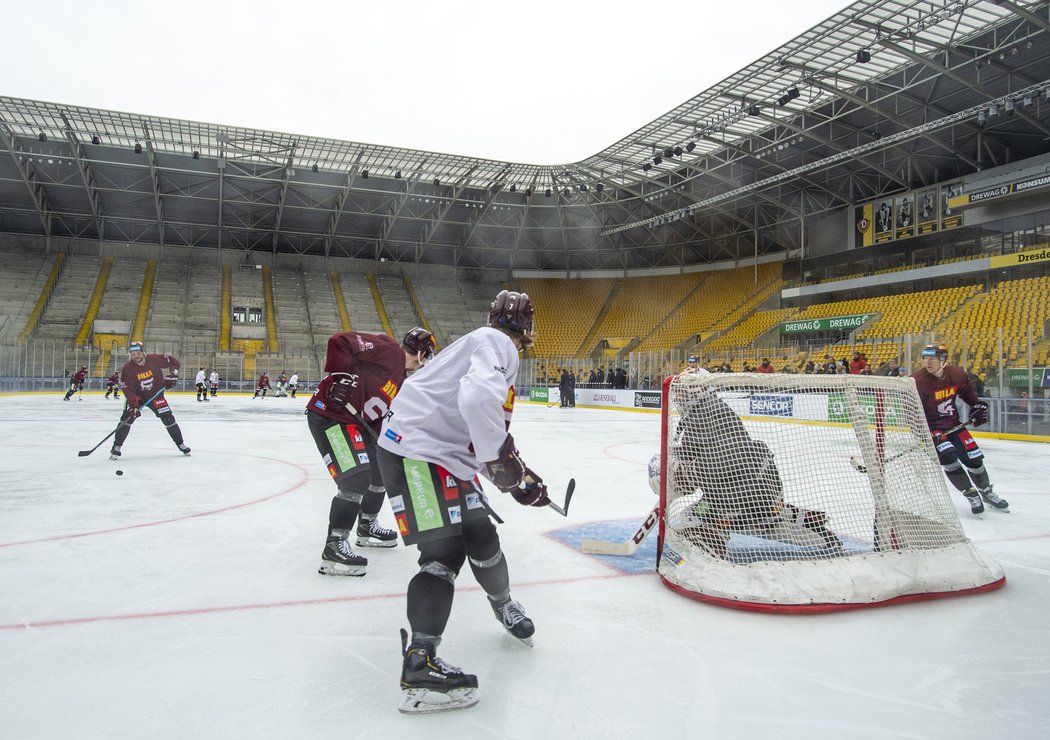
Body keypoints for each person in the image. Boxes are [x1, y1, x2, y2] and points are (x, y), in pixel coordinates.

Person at [376, 290, 548, 714]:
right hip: (419, 455)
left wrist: (515, 472)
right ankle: (420, 665)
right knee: (445, 552)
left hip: (431, 454)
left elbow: (473, 426)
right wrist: (504, 466)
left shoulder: (483, 343)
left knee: (480, 532)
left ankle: (504, 605)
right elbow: (477, 404)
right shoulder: (498, 344)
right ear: (527, 328)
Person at [306, 327, 436, 577]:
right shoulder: (388, 350)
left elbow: (379, 416)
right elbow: (339, 341)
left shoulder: (401, 377)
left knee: (380, 471)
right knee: (355, 478)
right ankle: (334, 545)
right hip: (330, 416)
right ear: (422, 355)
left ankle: (366, 526)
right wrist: (341, 376)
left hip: (356, 423)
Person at [666, 383, 843, 560]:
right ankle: (805, 525)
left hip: (740, 498)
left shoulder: (706, 413)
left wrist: (684, 474)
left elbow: (729, 456)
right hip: (760, 492)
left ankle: (712, 551)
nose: (677, 398)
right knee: (768, 518)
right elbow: (699, 452)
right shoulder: (707, 410)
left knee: (691, 518)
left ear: (696, 392)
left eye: (682, 392)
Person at [911, 343, 1007, 514]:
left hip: (954, 425)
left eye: (932, 358)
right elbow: (909, 411)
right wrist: (923, 432)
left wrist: (976, 407)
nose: (928, 362)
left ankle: (986, 492)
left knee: (975, 459)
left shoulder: (957, 374)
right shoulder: (917, 381)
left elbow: (968, 395)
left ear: (943, 360)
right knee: (949, 458)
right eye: (925, 358)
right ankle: (971, 494)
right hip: (932, 429)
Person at [110, 342, 190, 460]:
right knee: (127, 419)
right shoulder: (128, 369)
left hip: (156, 395)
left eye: (138, 353)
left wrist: (173, 373)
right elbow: (128, 389)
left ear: (143, 352)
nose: (136, 356)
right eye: (133, 354)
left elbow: (173, 361)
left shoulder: (154, 359)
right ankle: (116, 446)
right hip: (137, 397)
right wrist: (134, 404)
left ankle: (180, 443)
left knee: (168, 418)